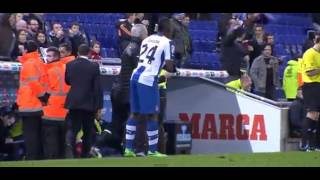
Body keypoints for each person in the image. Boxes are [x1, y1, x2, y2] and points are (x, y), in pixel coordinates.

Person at [124, 18, 175, 157]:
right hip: (148, 79)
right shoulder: (168, 42)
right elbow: (170, 66)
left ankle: (128, 149)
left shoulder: (147, 39)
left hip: (135, 76)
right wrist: (171, 68)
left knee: (134, 112)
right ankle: (152, 151)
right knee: (152, 115)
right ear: (168, 29)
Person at [110, 24, 148, 154]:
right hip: (128, 92)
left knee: (117, 124)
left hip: (118, 90)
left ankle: (105, 148)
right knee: (133, 120)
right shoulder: (138, 49)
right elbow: (140, 70)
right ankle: (130, 147)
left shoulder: (128, 47)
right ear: (143, 35)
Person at [64, 44, 103, 158]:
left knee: (73, 129)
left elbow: (68, 81)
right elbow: (97, 88)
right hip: (88, 103)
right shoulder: (94, 66)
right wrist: (99, 106)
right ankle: (85, 155)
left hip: (74, 102)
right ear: (89, 53)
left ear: (78, 53)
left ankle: (71, 153)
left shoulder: (69, 65)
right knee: (88, 131)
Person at [16, 40, 47, 160]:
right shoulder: (39, 62)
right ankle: (37, 156)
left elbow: (33, 82)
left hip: (29, 103)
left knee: (30, 134)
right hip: (36, 104)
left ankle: (31, 157)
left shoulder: (29, 63)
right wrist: (43, 97)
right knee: (36, 132)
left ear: (26, 50)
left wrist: (41, 96)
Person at [41, 47, 70, 159]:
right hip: (66, 112)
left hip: (51, 112)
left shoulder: (48, 71)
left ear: (56, 57)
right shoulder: (67, 68)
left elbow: (43, 92)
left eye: (48, 56)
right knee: (63, 142)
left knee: (51, 142)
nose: (46, 58)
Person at [300, 36, 320, 151]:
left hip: (318, 85)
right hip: (311, 86)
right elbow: (310, 73)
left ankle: (313, 145)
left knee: (317, 116)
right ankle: (304, 143)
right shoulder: (309, 53)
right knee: (312, 114)